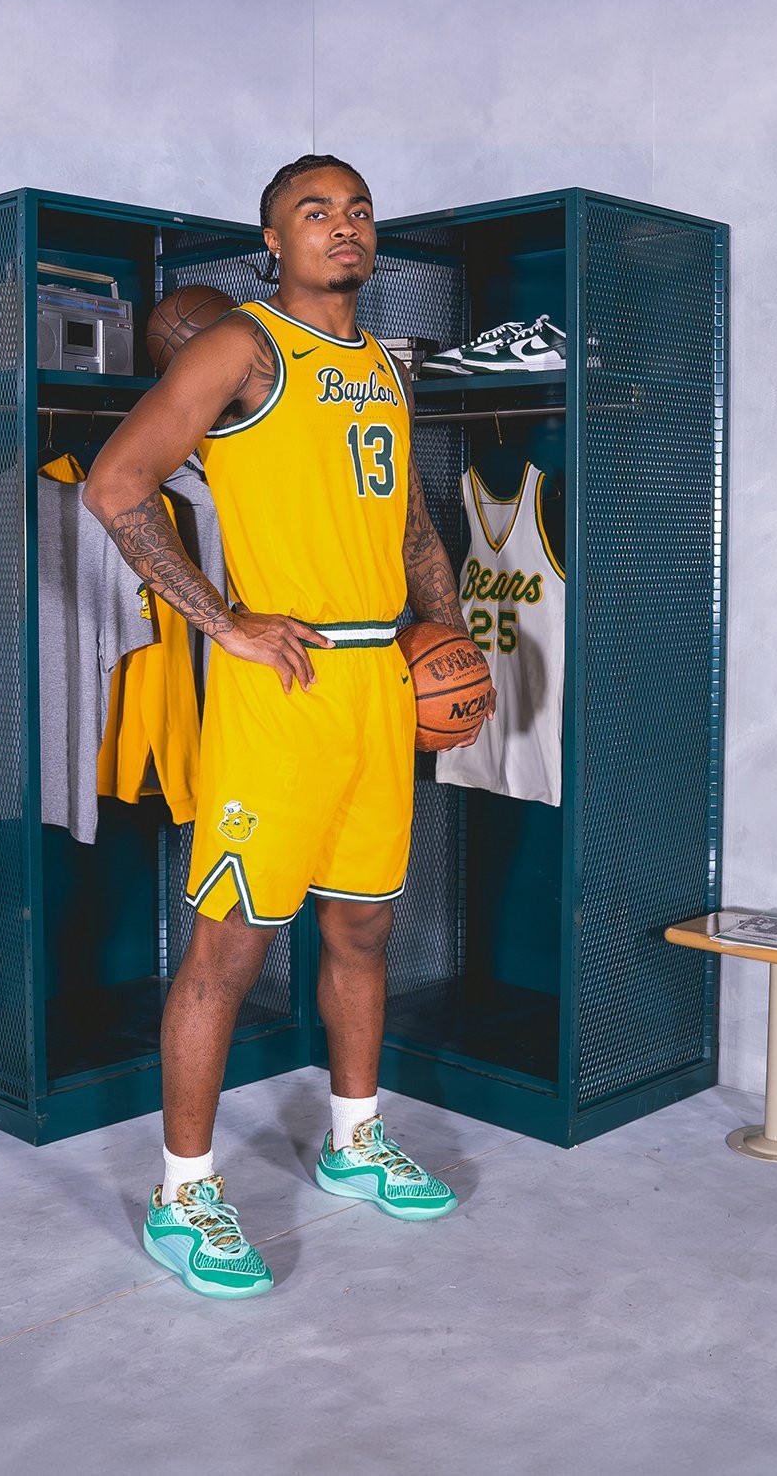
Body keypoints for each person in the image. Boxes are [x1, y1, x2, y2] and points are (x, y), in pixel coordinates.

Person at [84, 154, 494, 1299]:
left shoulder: (380, 366)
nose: (343, 226)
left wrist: (453, 638)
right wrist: (223, 622)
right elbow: (115, 484)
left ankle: (354, 1140)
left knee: (364, 929)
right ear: (274, 242)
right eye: (315, 212)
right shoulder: (243, 347)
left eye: (358, 210)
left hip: (377, 685)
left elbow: (410, 523)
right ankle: (183, 1196)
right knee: (228, 950)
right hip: (283, 691)